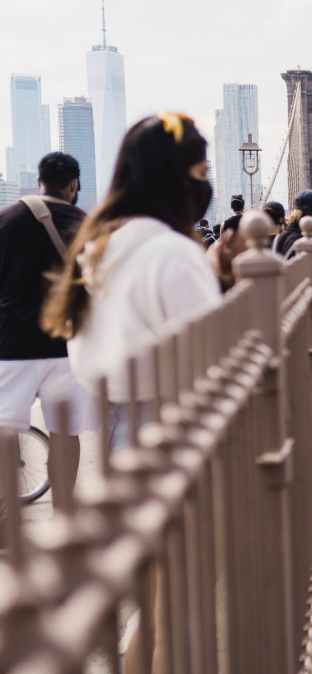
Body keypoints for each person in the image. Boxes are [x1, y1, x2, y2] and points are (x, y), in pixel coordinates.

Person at [41, 114, 221, 445]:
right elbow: (212, 354)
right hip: (172, 421)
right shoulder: (174, 254)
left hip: (111, 419)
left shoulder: (98, 244)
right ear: (174, 179)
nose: (205, 185)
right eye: (201, 173)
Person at [0, 151, 95, 501]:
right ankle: (64, 514)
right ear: (73, 185)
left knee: (5, 432)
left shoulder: (6, 220)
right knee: (65, 433)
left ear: (39, 182)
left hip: (12, 346)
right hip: (65, 346)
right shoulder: (83, 223)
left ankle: (4, 514)